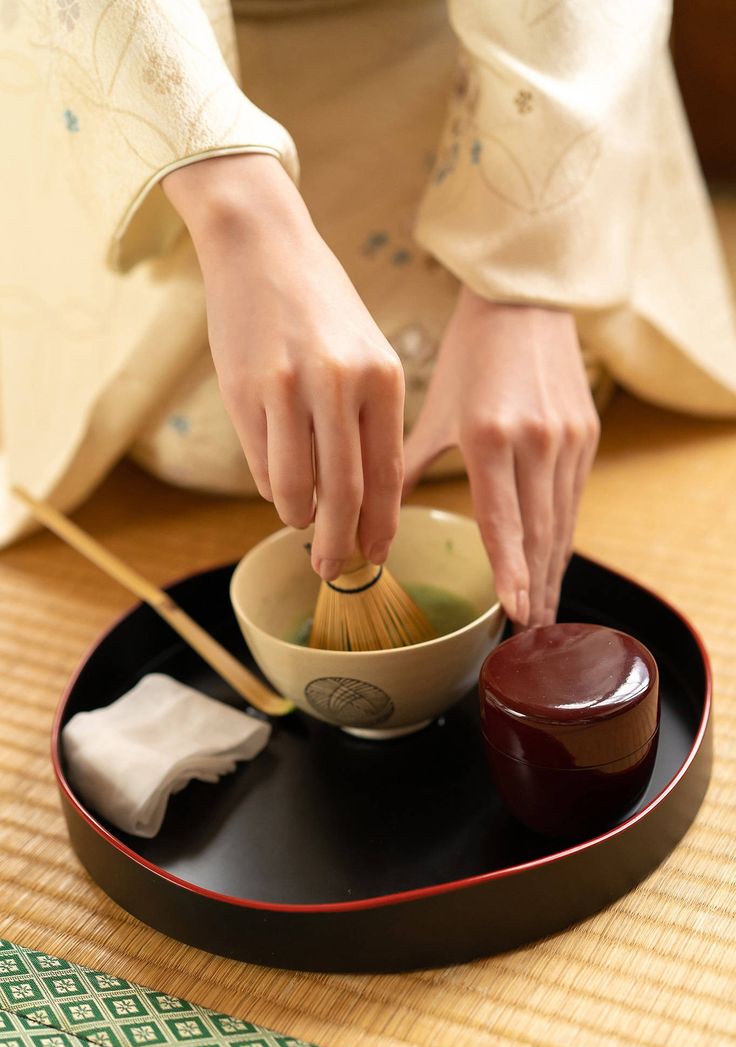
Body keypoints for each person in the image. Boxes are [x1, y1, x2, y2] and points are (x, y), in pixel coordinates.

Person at [2, 0, 735, 629]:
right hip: (185, 69)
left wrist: (528, 268)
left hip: (487, 64)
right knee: (210, 431)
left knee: (532, 389)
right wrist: (232, 205)